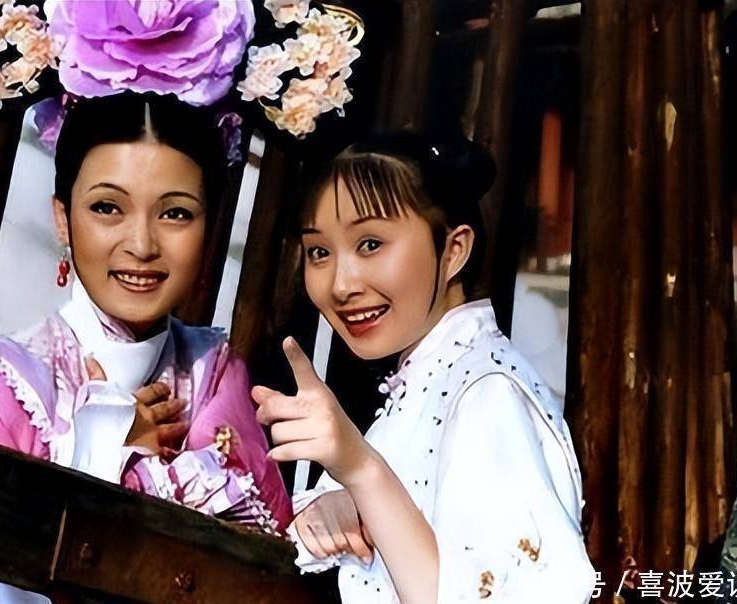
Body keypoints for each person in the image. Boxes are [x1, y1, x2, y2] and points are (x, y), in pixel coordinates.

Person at [0, 93, 292, 604]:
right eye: (107, 207)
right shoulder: (0, 388)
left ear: (210, 228)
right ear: (63, 218)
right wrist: (105, 448)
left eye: (176, 213)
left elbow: (263, 570)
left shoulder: (216, 375)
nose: (141, 244)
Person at [254, 135, 596, 602]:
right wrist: (333, 505)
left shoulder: (489, 393)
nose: (341, 284)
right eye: (319, 252)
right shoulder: (425, 382)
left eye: (370, 244)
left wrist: (360, 469)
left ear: (453, 250)